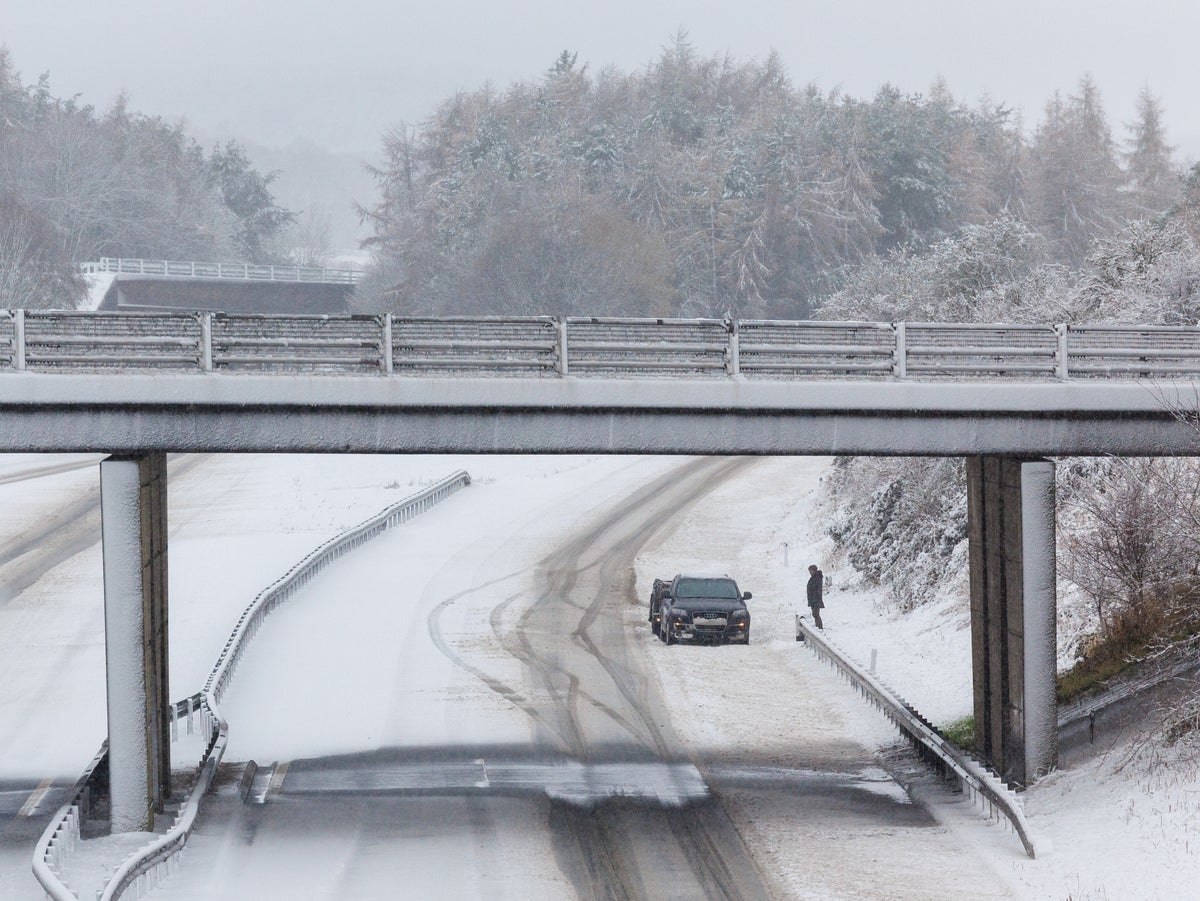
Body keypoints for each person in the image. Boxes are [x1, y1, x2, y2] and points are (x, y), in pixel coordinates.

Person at [806, 564, 825, 629]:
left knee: (815, 614)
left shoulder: (817, 578)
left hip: (816, 599)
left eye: (810, 571)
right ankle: (818, 626)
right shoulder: (815, 577)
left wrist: (814, 598)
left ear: (814, 570)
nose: (810, 573)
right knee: (815, 614)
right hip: (813, 599)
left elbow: (816, 589)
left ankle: (819, 627)